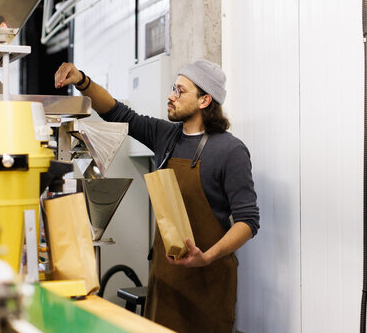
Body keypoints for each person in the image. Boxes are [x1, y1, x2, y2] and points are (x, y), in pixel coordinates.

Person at [54, 59, 260, 333]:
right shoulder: (167, 136)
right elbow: (117, 112)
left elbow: (248, 222)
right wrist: (81, 80)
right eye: (173, 88)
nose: (170, 96)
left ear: (204, 100)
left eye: (180, 91)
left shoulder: (230, 151)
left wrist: (207, 256)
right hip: (165, 277)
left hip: (207, 284)